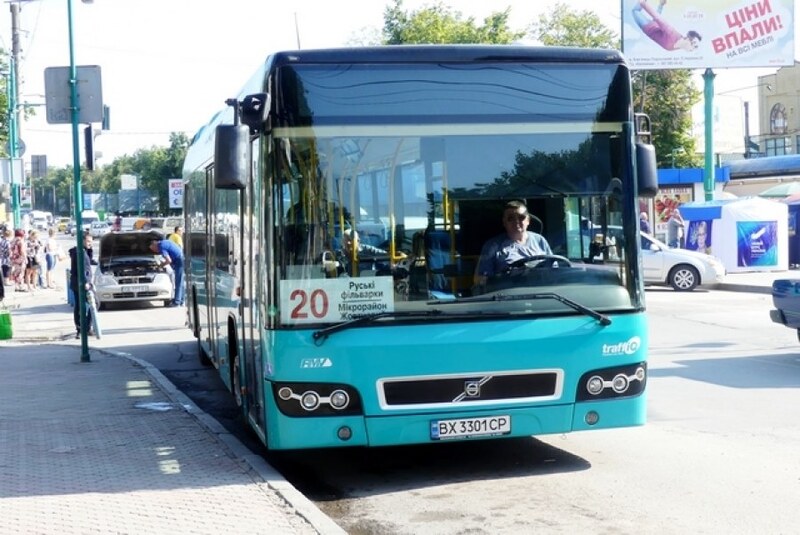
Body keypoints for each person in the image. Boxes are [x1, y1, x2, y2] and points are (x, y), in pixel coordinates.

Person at [474, 200, 552, 286]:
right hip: (509, 294)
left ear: (528, 220)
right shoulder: (492, 246)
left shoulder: (540, 240)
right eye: (511, 218)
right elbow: (481, 280)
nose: (516, 221)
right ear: (504, 222)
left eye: (521, 217)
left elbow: (554, 269)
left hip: (543, 292)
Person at [632, 0, 702, 52]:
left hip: (654, 27)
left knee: (656, 21)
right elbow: (659, 19)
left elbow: (659, 22)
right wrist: (643, 4)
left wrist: (660, 6)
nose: (693, 48)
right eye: (693, 44)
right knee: (635, 11)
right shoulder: (673, 35)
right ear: (688, 39)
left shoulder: (678, 44)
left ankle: (660, 4)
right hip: (647, 27)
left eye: (694, 46)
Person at [69, 231, 95, 338]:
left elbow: (89, 263)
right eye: (88, 241)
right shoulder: (81, 253)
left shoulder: (81, 251)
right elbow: (84, 269)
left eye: (91, 241)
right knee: (91, 304)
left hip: (76, 282)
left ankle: (81, 328)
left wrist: (90, 250)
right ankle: (84, 328)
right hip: (82, 283)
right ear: (82, 241)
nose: (90, 243)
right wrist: (86, 282)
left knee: (80, 305)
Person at [149, 238, 184, 306]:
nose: (155, 251)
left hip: (178, 260)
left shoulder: (161, 246)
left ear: (154, 245)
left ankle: (176, 302)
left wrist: (161, 265)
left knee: (178, 282)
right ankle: (181, 301)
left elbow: (169, 260)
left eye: (154, 249)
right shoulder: (164, 242)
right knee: (180, 282)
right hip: (180, 258)